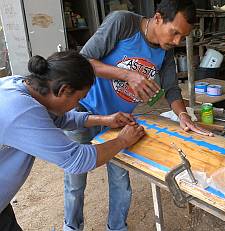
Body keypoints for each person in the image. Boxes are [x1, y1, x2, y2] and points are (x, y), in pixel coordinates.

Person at [63, 0, 213, 230]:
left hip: (119, 120)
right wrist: (127, 75)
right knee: (75, 177)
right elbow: (83, 62)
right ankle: (71, 227)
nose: (176, 41)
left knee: (120, 180)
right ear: (158, 17)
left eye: (182, 37)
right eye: (174, 33)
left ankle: (116, 227)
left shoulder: (166, 52)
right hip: (84, 111)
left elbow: (172, 89)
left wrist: (183, 116)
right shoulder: (123, 22)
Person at [0, 51, 145, 231]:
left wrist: (105, 119)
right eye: (78, 99)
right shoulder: (20, 110)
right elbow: (77, 160)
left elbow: (58, 118)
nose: (77, 104)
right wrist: (122, 140)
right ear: (63, 90)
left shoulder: (18, 86)